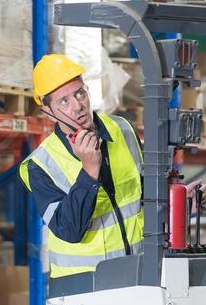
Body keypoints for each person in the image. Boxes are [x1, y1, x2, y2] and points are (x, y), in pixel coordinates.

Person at [20, 54, 145, 277]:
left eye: (79, 93)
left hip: (138, 274)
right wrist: (89, 172)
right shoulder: (40, 166)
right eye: (63, 102)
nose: (77, 106)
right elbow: (68, 230)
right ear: (47, 112)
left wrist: (182, 202)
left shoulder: (123, 130)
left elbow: (146, 196)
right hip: (83, 291)